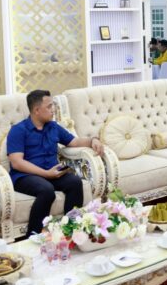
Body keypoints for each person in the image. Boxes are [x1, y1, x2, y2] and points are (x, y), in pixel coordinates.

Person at [7, 90, 105, 236]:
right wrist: (46, 174)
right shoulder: (18, 130)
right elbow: (16, 162)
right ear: (36, 110)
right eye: (49, 106)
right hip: (25, 176)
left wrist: (93, 140)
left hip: (51, 172)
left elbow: (74, 142)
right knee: (46, 191)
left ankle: (71, 229)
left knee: (74, 182)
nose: (53, 110)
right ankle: (33, 235)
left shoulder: (53, 127)